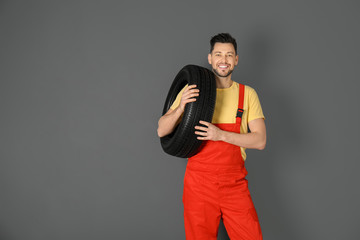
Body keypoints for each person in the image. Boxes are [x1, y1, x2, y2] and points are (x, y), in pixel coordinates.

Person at [157, 33, 266, 240]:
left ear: (236, 59)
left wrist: (220, 135)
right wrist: (181, 107)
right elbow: (162, 130)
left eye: (229, 55)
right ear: (210, 58)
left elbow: (260, 140)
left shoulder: (247, 94)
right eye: (218, 54)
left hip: (234, 185)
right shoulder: (192, 92)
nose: (223, 60)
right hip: (199, 184)